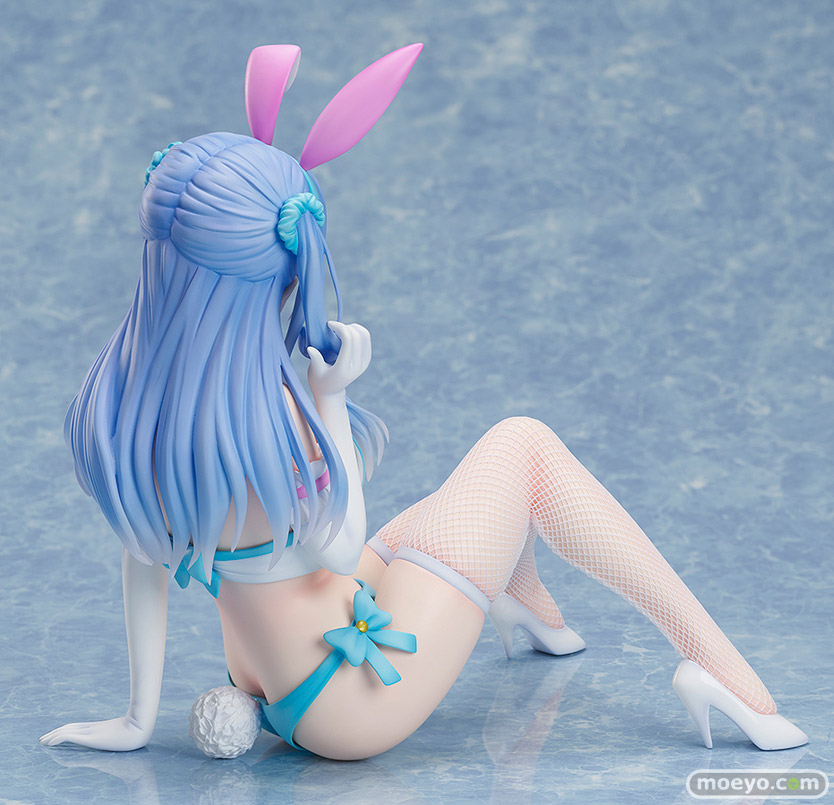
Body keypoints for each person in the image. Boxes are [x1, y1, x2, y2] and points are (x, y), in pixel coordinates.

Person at [39, 44, 807, 761]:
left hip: (263, 669)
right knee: (523, 446)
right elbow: (342, 547)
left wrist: (138, 719)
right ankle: (723, 670)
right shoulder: (272, 419)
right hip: (348, 693)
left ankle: (524, 597)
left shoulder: (135, 402)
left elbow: (143, 560)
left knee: (451, 508)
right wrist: (331, 398)